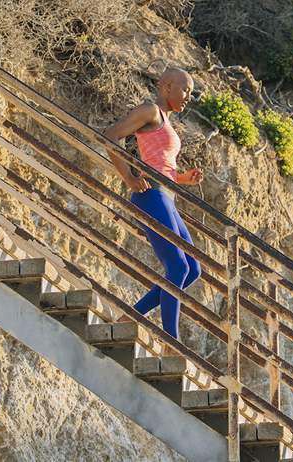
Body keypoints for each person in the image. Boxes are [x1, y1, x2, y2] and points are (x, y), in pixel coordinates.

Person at [103, 68, 202, 345]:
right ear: (167, 86)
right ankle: (171, 341)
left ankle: (131, 317)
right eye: (186, 90)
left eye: (191, 93)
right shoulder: (150, 111)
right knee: (177, 268)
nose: (188, 97)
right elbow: (110, 135)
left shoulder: (167, 122)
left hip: (167, 196)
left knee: (192, 269)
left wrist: (184, 179)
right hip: (151, 196)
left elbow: (163, 166)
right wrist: (129, 177)